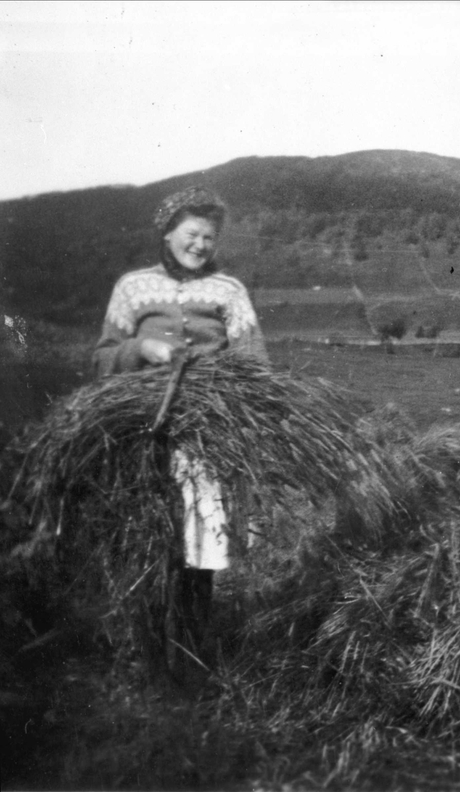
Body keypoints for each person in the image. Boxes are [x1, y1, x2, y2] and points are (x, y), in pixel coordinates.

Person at [93, 186, 267, 683]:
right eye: (192, 234)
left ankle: (191, 664)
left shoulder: (229, 291)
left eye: (209, 237)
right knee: (149, 543)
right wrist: (139, 349)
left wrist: (233, 395)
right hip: (143, 429)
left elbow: (255, 362)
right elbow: (102, 357)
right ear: (167, 234)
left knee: (198, 551)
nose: (200, 245)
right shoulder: (132, 288)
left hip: (203, 436)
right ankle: (147, 664)